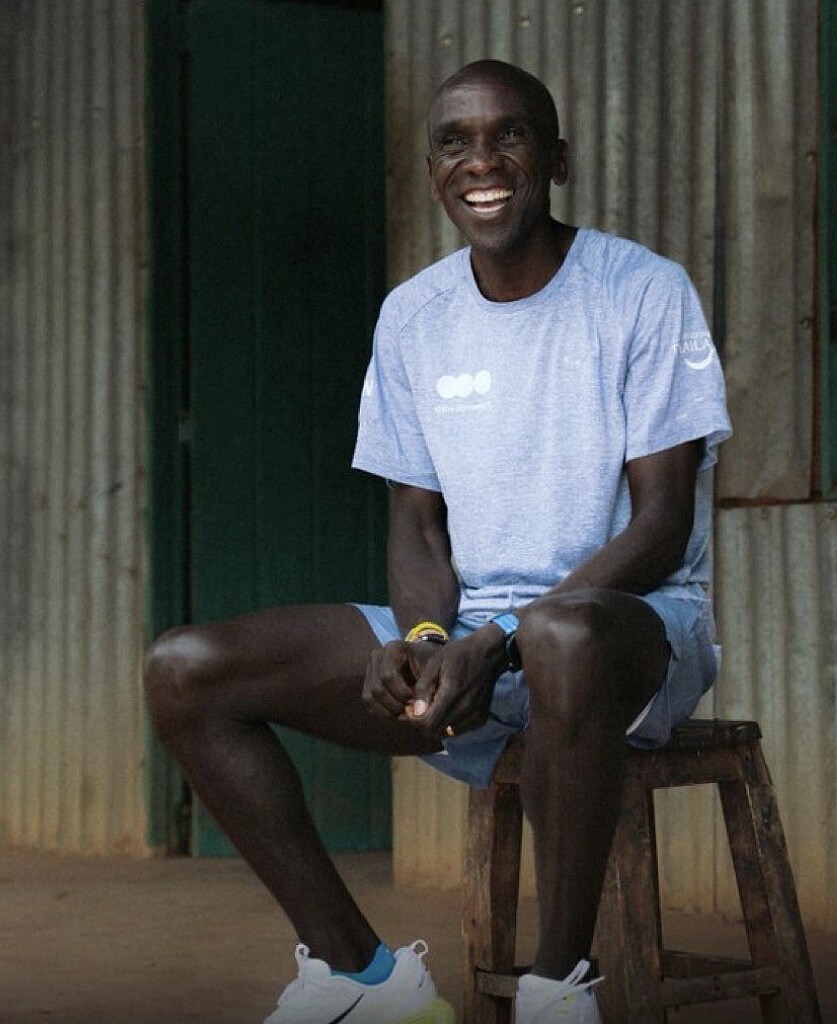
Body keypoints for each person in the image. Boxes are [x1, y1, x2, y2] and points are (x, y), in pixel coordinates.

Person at [143, 58, 732, 1024]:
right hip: (471, 641)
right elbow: (417, 528)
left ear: (556, 159)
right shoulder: (413, 317)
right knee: (186, 670)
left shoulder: (640, 291)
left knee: (561, 636)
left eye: (509, 136)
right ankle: (362, 979)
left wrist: (499, 638)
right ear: (432, 173)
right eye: (455, 143)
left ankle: (557, 989)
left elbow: (662, 523)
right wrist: (423, 641)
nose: (481, 162)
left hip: (629, 635)